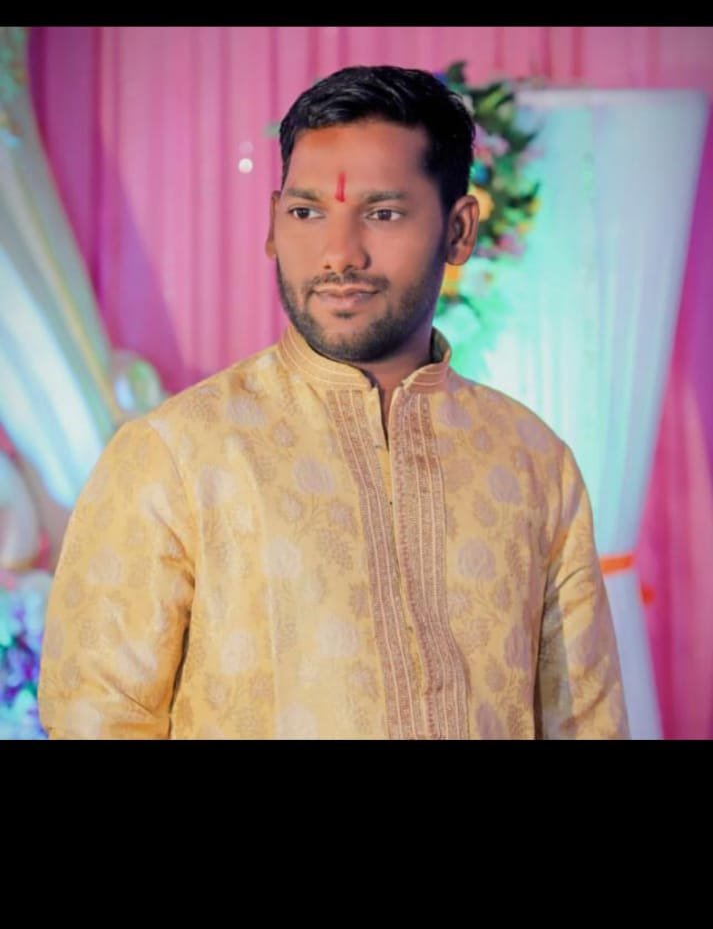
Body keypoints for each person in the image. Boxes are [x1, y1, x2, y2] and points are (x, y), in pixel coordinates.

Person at [38, 65, 629, 740]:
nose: (338, 255)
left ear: (459, 230)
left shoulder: (530, 460)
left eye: (383, 213)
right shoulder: (175, 457)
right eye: (306, 213)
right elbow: (96, 722)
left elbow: (587, 723)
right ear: (273, 224)